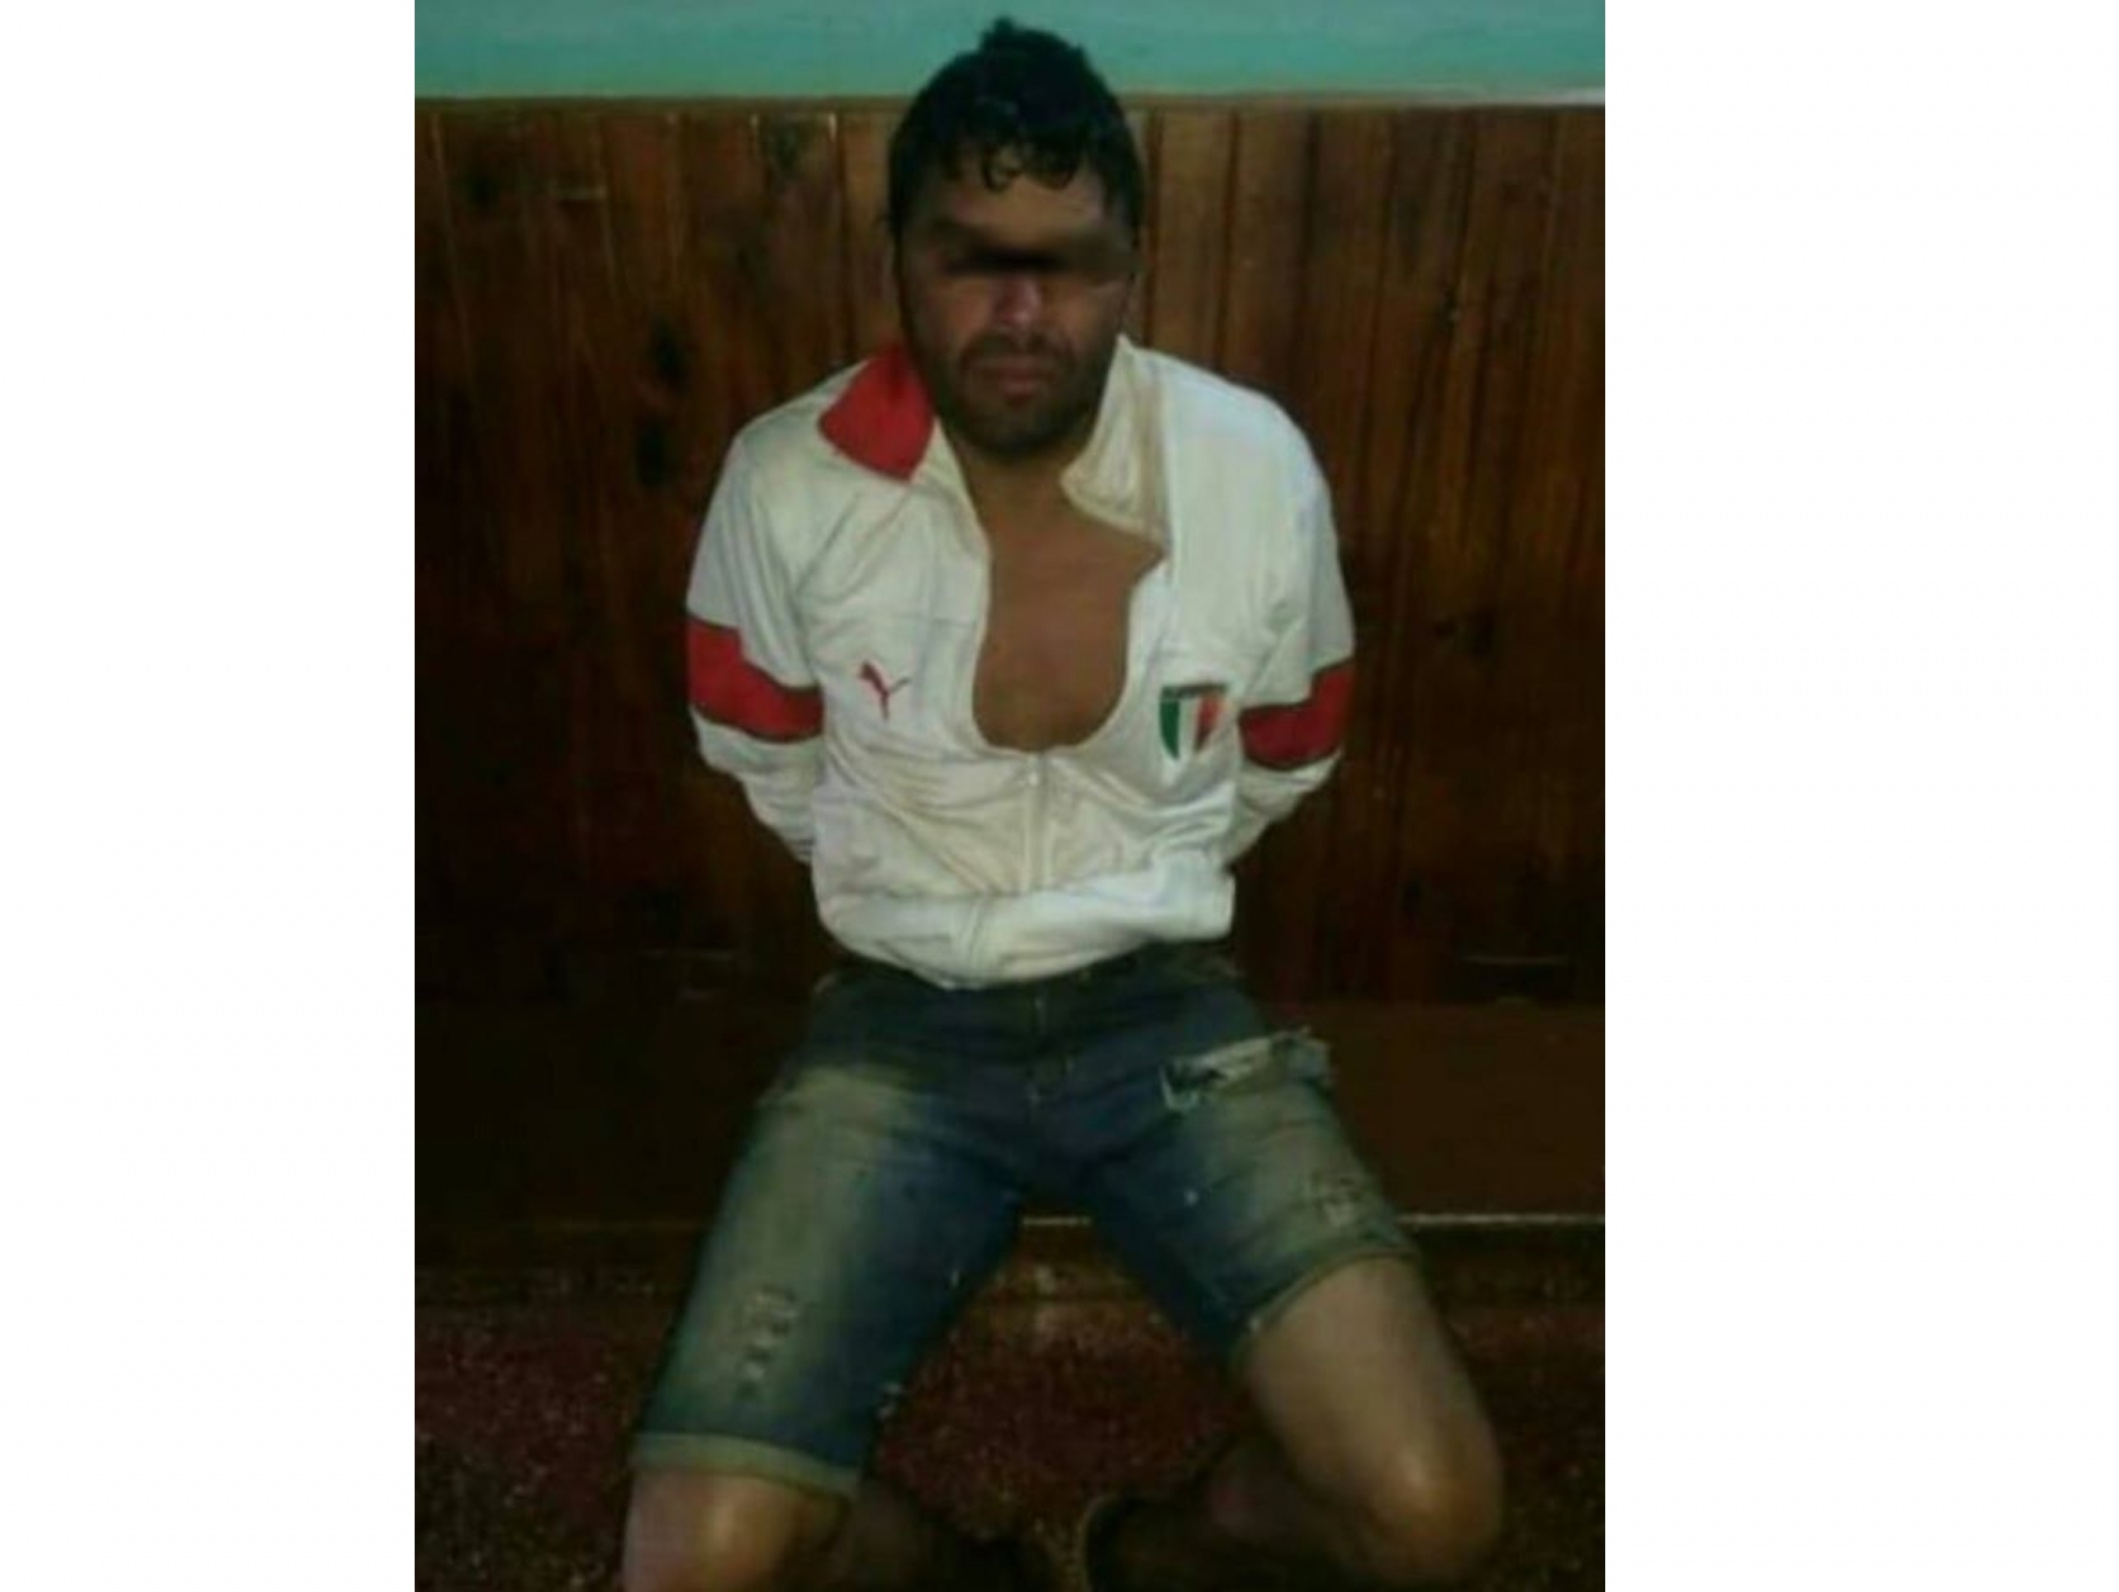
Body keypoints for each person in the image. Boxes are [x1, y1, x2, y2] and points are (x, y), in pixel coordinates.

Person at [623, 19, 1502, 1591]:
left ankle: (1145, 1552)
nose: (1022, 312)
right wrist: (909, 892)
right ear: (898, 261)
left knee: (1433, 1511)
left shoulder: (1249, 469)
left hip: (1163, 1010)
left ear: (1132, 268)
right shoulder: (791, 485)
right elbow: (759, 746)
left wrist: (1136, 889)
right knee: (696, 1562)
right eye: (972, 259)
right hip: (900, 1020)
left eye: (1070, 265)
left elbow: (1291, 743)